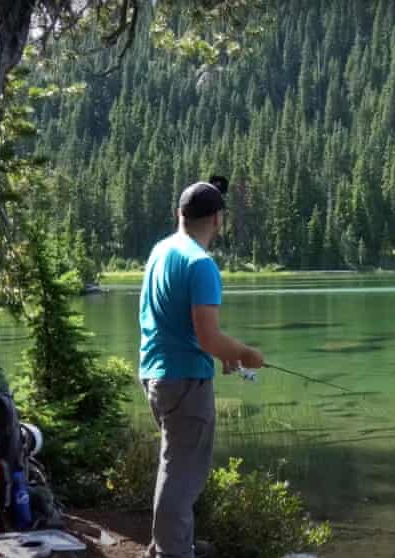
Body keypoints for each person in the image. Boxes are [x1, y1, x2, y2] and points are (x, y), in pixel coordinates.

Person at [139, 180, 264, 558]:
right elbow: (209, 337)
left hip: (155, 374)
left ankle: (170, 544)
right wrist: (245, 353)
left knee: (174, 463)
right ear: (217, 219)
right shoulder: (200, 263)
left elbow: (175, 323)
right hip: (184, 381)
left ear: (180, 214)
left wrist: (220, 352)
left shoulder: (161, 251)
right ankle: (172, 553)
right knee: (184, 475)